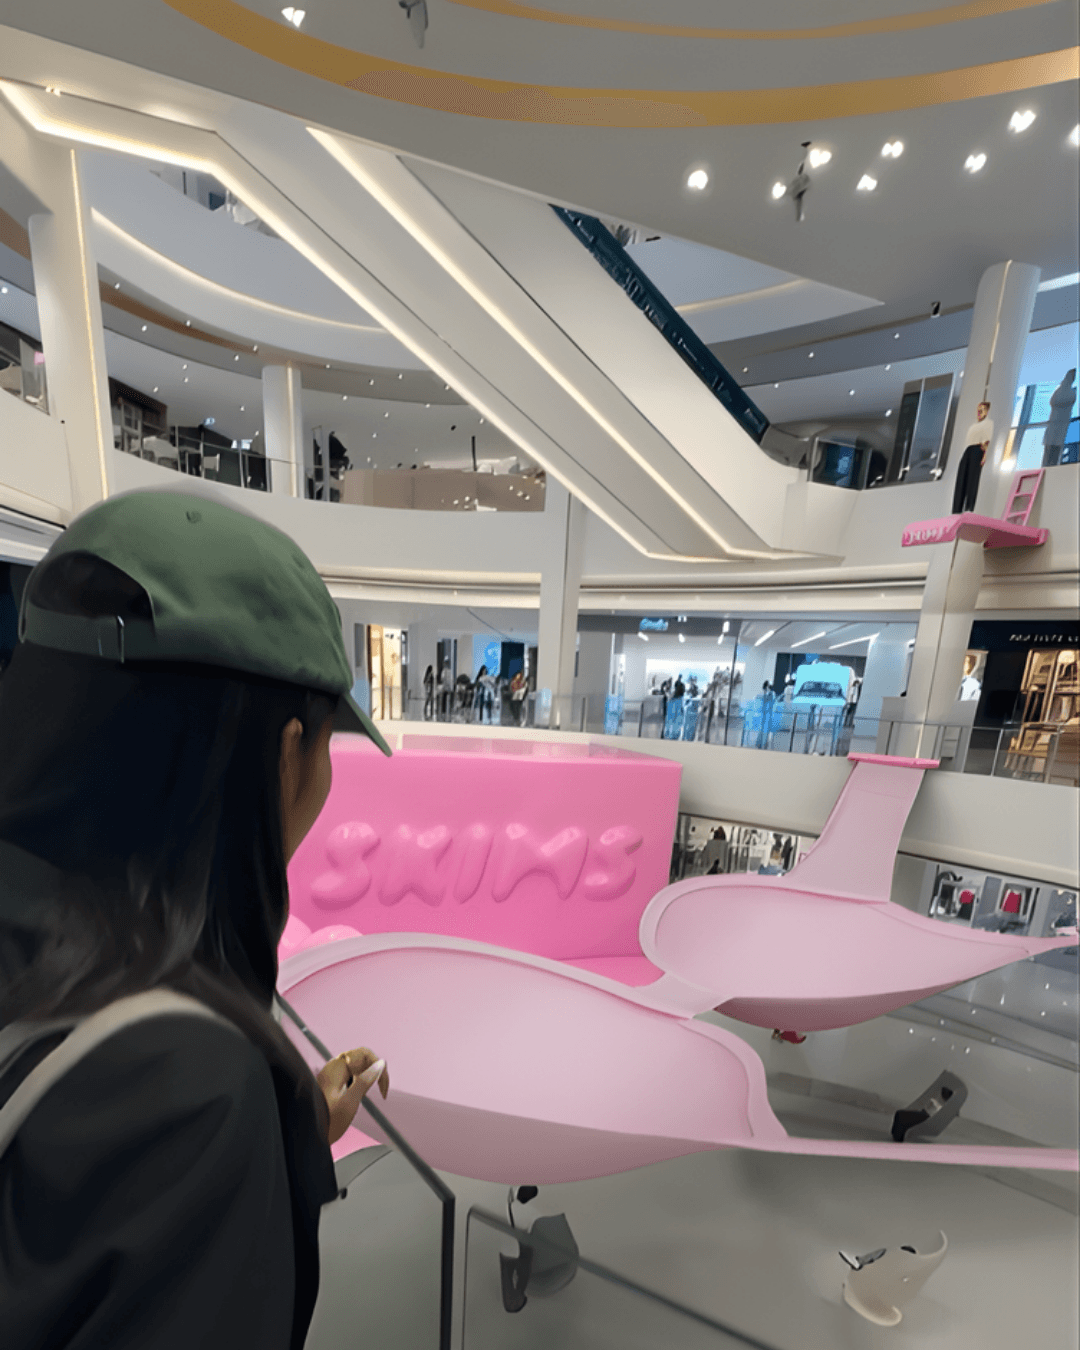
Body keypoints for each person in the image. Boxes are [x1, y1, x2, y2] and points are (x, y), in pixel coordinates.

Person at [0, 492, 393, 1349]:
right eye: (326, 742)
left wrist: (290, 1118)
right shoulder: (194, 1096)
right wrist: (250, 1124)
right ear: (285, 751)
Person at [951, 400, 993, 514]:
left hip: (978, 449)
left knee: (972, 480)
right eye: (978, 410)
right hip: (968, 450)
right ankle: (956, 509)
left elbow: (986, 442)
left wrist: (984, 456)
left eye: (982, 410)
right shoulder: (974, 425)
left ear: (987, 411)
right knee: (962, 478)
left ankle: (969, 508)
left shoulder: (988, 424)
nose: (979, 412)